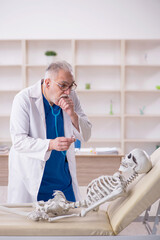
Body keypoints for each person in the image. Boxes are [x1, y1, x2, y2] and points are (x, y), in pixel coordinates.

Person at [8, 61, 92, 204]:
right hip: (33, 179)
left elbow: (87, 134)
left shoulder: (72, 97)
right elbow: (19, 142)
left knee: (69, 220)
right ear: (47, 83)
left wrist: (73, 114)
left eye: (71, 86)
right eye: (63, 85)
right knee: (35, 223)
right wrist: (51, 144)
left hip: (63, 180)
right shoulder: (23, 99)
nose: (68, 92)